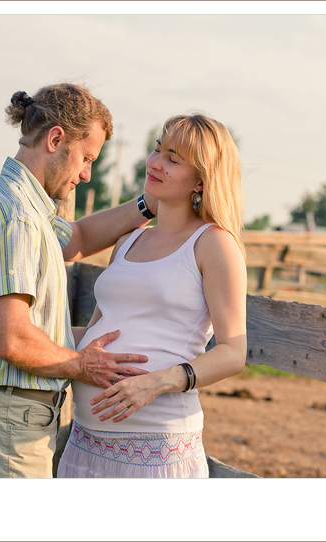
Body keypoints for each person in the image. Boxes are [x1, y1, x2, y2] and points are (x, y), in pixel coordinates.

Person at [0, 83, 158, 478]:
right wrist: (81, 363)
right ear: (56, 139)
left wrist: (149, 205)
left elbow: (76, 239)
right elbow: (9, 336)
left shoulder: (23, 206)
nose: (87, 174)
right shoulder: (18, 217)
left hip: (6, 418)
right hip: (6, 427)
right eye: (86, 158)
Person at [57, 113, 247, 478]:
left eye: (173, 160)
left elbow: (233, 353)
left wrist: (154, 382)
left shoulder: (214, 244)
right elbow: (102, 329)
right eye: (158, 150)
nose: (155, 163)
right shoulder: (129, 240)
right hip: (85, 442)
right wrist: (29, 341)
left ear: (202, 180)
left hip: (156, 449)